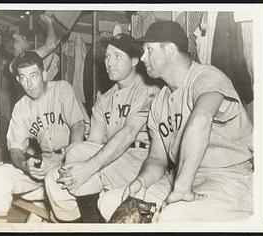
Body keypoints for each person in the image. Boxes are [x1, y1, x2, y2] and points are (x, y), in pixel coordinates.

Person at [98, 21, 253, 222]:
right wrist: (141, 181)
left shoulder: (206, 76)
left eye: (149, 50)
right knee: (109, 202)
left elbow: (201, 118)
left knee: (172, 216)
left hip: (229, 180)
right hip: (180, 179)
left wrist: (181, 188)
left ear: (170, 49)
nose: (143, 57)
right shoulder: (160, 101)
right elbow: (157, 160)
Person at [45, 33, 163, 223]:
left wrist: (86, 167)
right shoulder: (104, 99)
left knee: (76, 152)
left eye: (117, 56)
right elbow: (93, 142)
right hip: (109, 162)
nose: (109, 62)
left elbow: (128, 133)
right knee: (54, 180)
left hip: (141, 162)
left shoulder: (148, 89)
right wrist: (79, 168)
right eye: (107, 56)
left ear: (134, 60)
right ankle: (86, 224)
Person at [0, 51, 88, 222]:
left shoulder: (62, 89)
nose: (29, 84)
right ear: (18, 80)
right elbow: (15, 150)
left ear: (44, 74)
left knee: (55, 197)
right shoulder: (21, 108)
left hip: (72, 161)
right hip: (46, 164)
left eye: (33, 76)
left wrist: (70, 164)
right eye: (23, 78)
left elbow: (78, 126)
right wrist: (26, 165)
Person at [2, 13, 61, 105]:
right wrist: (48, 22)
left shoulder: (17, 62)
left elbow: (52, 46)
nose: (25, 37)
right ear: (16, 44)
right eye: (22, 37)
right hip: (32, 107)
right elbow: (51, 45)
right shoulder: (22, 59)